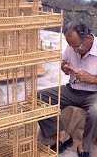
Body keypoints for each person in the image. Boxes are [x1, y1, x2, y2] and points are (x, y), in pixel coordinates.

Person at [38, 21, 97, 157]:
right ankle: (63, 135)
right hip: (72, 89)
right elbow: (64, 62)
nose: (75, 50)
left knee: (96, 112)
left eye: (78, 47)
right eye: (71, 46)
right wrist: (64, 67)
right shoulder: (72, 46)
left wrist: (92, 79)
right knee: (38, 98)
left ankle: (84, 145)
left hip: (93, 94)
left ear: (88, 38)